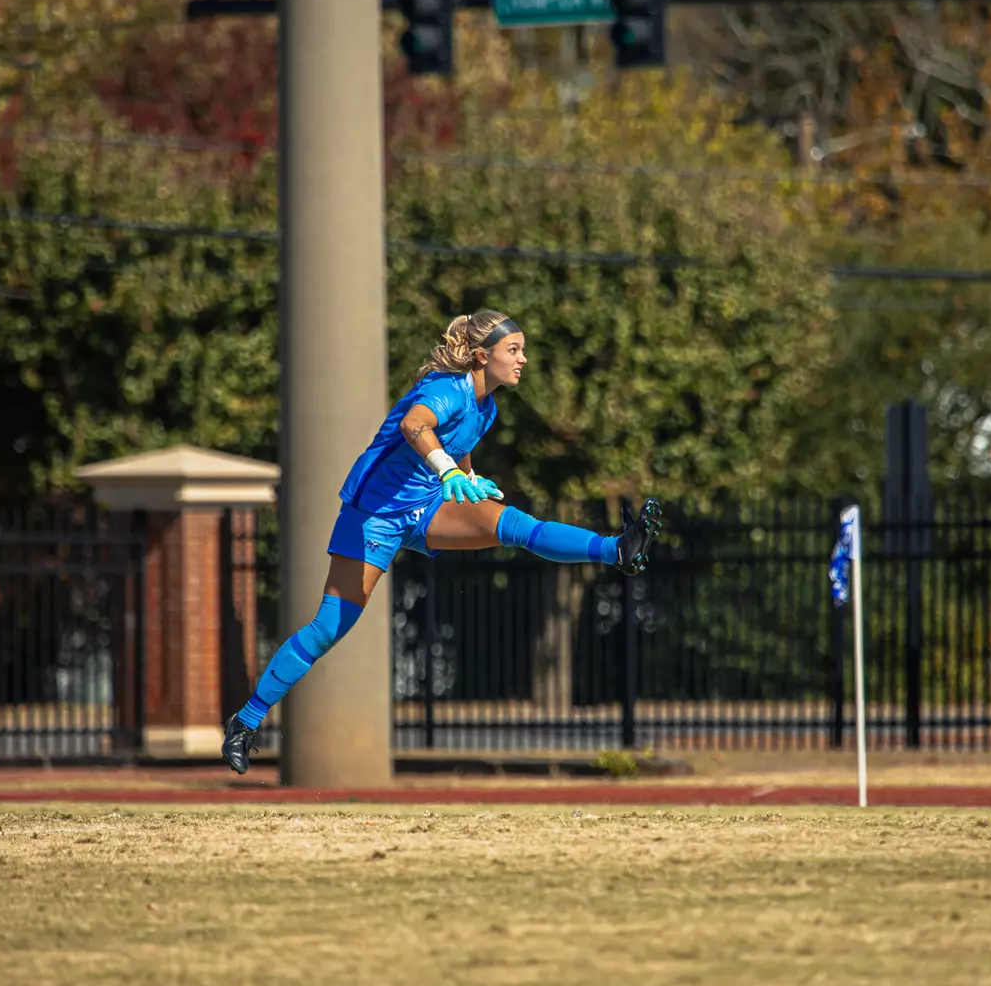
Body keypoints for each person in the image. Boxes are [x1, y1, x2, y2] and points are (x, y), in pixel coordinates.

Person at [222, 309, 663, 773]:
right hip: (375, 515)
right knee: (328, 628)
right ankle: (246, 720)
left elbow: (458, 437)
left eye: (522, 350)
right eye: (513, 350)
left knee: (512, 526)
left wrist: (470, 475)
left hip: (429, 506)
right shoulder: (445, 387)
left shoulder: (486, 404)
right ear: (480, 355)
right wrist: (449, 471)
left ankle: (617, 549)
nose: (523, 360)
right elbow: (417, 426)